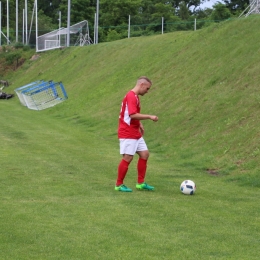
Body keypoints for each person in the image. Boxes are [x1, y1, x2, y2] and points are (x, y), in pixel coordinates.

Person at [115, 76, 159, 192]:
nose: (147, 91)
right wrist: (149, 116)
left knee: (144, 154)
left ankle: (140, 183)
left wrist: (139, 124)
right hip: (128, 132)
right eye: (147, 88)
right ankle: (119, 185)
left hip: (134, 131)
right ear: (142, 85)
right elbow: (132, 115)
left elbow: (132, 115)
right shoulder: (131, 96)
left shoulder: (135, 97)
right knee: (128, 157)